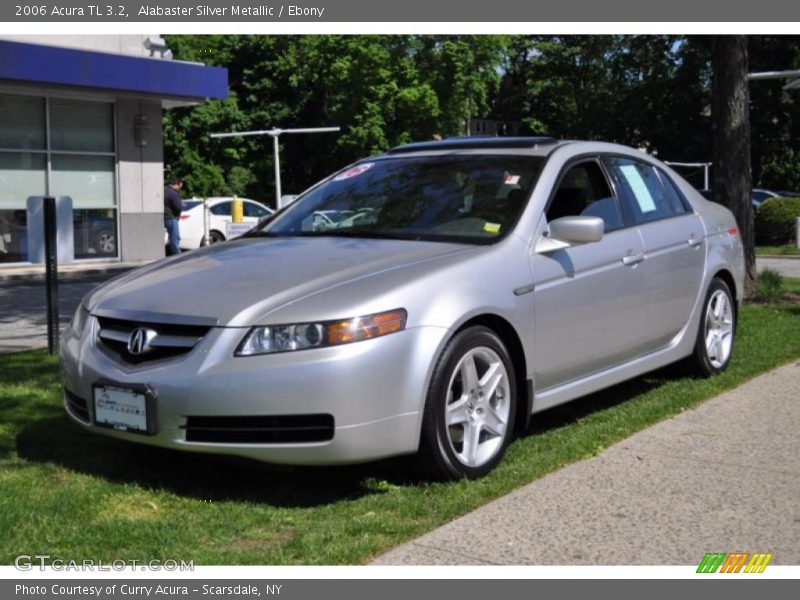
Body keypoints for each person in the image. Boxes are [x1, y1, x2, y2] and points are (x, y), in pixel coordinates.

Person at [164, 177, 183, 256]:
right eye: (180, 186)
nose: (180, 188)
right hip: (172, 218)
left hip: (165, 217)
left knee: (172, 238)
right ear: (177, 184)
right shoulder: (173, 193)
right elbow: (178, 207)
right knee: (175, 239)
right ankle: (178, 257)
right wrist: (181, 206)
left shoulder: (164, 190)